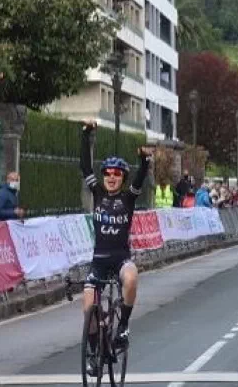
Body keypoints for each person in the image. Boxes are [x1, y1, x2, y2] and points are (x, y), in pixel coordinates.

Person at [78, 122, 150, 373]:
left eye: (116, 174)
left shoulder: (128, 198)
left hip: (120, 259)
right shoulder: (97, 192)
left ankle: (124, 326)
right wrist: (86, 135)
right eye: (107, 173)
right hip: (98, 260)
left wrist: (144, 161)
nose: (110, 177)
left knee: (131, 277)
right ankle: (95, 354)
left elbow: (141, 176)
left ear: (122, 178)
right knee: (89, 306)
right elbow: (85, 166)